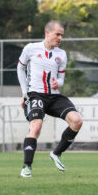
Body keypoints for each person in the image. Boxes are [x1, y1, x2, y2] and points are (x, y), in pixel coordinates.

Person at [17, 20, 83, 178]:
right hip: (35, 94)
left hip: (54, 96)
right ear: (48, 33)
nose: (60, 38)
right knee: (36, 126)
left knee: (77, 121)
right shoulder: (31, 48)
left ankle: (56, 153)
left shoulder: (62, 54)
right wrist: (25, 92)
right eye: (57, 34)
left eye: (62, 35)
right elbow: (20, 67)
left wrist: (57, 82)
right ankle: (27, 167)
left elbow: (61, 79)